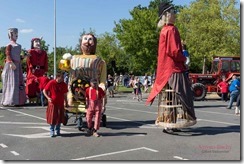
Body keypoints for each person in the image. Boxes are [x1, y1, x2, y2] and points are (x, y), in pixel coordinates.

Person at [146, 2, 197, 134]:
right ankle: (170, 122)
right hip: (173, 69)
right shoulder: (171, 29)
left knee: (171, 97)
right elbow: (173, 51)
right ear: (167, 15)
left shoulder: (164, 30)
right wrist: (184, 59)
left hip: (165, 70)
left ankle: (170, 122)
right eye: (173, 11)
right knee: (182, 96)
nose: (175, 14)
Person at [1, 28, 26, 106]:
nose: (16, 35)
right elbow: (8, 54)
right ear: (10, 34)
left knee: (19, 84)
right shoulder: (9, 45)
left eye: (17, 34)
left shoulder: (19, 46)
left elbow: (19, 57)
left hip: (18, 66)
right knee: (12, 83)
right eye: (15, 34)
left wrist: (24, 56)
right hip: (12, 66)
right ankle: (10, 100)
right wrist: (11, 62)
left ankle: (19, 101)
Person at [43, 72, 68, 137]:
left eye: (63, 77)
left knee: (59, 117)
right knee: (52, 117)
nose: (63, 78)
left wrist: (66, 102)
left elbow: (65, 94)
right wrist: (48, 98)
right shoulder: (51, 82)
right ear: (57, 77)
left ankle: (58, 130)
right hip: (53, 103)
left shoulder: (64, 84)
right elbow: (44, 90)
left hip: (60, 103)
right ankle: (52, 131)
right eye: (61, 77)